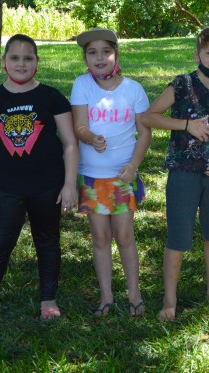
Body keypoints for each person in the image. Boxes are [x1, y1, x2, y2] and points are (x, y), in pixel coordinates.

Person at [0, 34, 78, 325]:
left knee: (48, 241)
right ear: (4, 63)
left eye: (28, 58)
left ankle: (48, 299)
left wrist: (69, 184)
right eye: (14, 58)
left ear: (37, 63)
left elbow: (69, 143)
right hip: (5, 188)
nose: (21, 63)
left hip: (48, 186)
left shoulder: (52, 98)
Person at [142, 27, 209, 322]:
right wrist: (187, 125)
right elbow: (148, 117)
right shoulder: (182, 85)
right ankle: (169, 300)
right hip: (183, 172)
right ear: (197, 54)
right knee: (178, 237)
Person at [71, 27, 151, 317]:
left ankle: (135, 296)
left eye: (105, 51)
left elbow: (144, 133)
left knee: (125, 236)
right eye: (92, 53)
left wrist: (133, 166)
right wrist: (90, 138)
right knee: (100, 238)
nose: (99, 57)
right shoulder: (82, 85)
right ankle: (106, 297)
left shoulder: (133, 89)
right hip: (92, 177)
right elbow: (78, 126)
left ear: (116, 54)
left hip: (122, 177)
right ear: (85, 59)